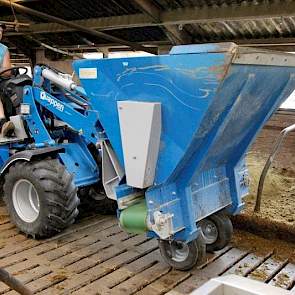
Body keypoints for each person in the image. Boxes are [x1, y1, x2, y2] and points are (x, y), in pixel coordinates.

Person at [0, 23, 15, 137]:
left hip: (1, 80)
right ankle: (3, 122)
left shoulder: (4, 49)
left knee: (17, 86)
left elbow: (7, 71)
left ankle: (21, 122)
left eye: (1, 31)